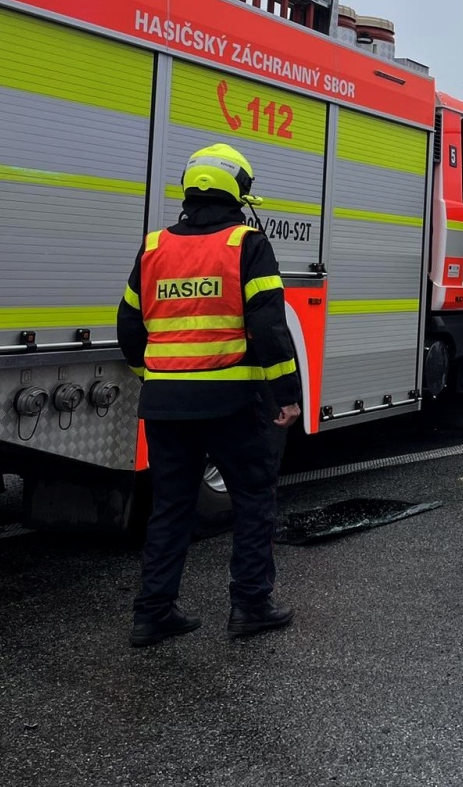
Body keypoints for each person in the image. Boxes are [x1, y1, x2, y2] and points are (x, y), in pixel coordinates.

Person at [118, 142, 303, 647]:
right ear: (238, 192)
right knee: (252, 498)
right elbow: (268, 326)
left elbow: (128, 326)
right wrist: (287, 394)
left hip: (164, 403)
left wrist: (149, 373)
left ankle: (152, 614)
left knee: (171, 506)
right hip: (231, 403)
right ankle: (250, 606)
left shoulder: (155, 246)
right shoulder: (245, 244)